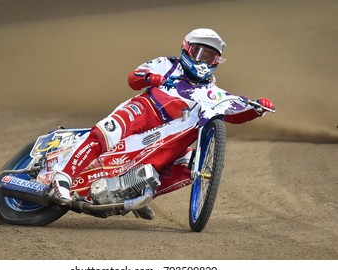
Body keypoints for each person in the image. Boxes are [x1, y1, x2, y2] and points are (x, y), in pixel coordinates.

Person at [48, 28, 275, 219]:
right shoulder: (167, 64)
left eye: (209, 57)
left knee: (191, 165)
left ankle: (135, 194)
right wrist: (150, 78)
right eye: (198, 52)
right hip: (144, 111)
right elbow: (133, 78)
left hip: (167, 136)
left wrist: (256, 108)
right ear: (186, 49)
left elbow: (235, 111)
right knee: (109, 131)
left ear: (216, 62)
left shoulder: (213, 92)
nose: (203, 60)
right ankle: (62, 178)